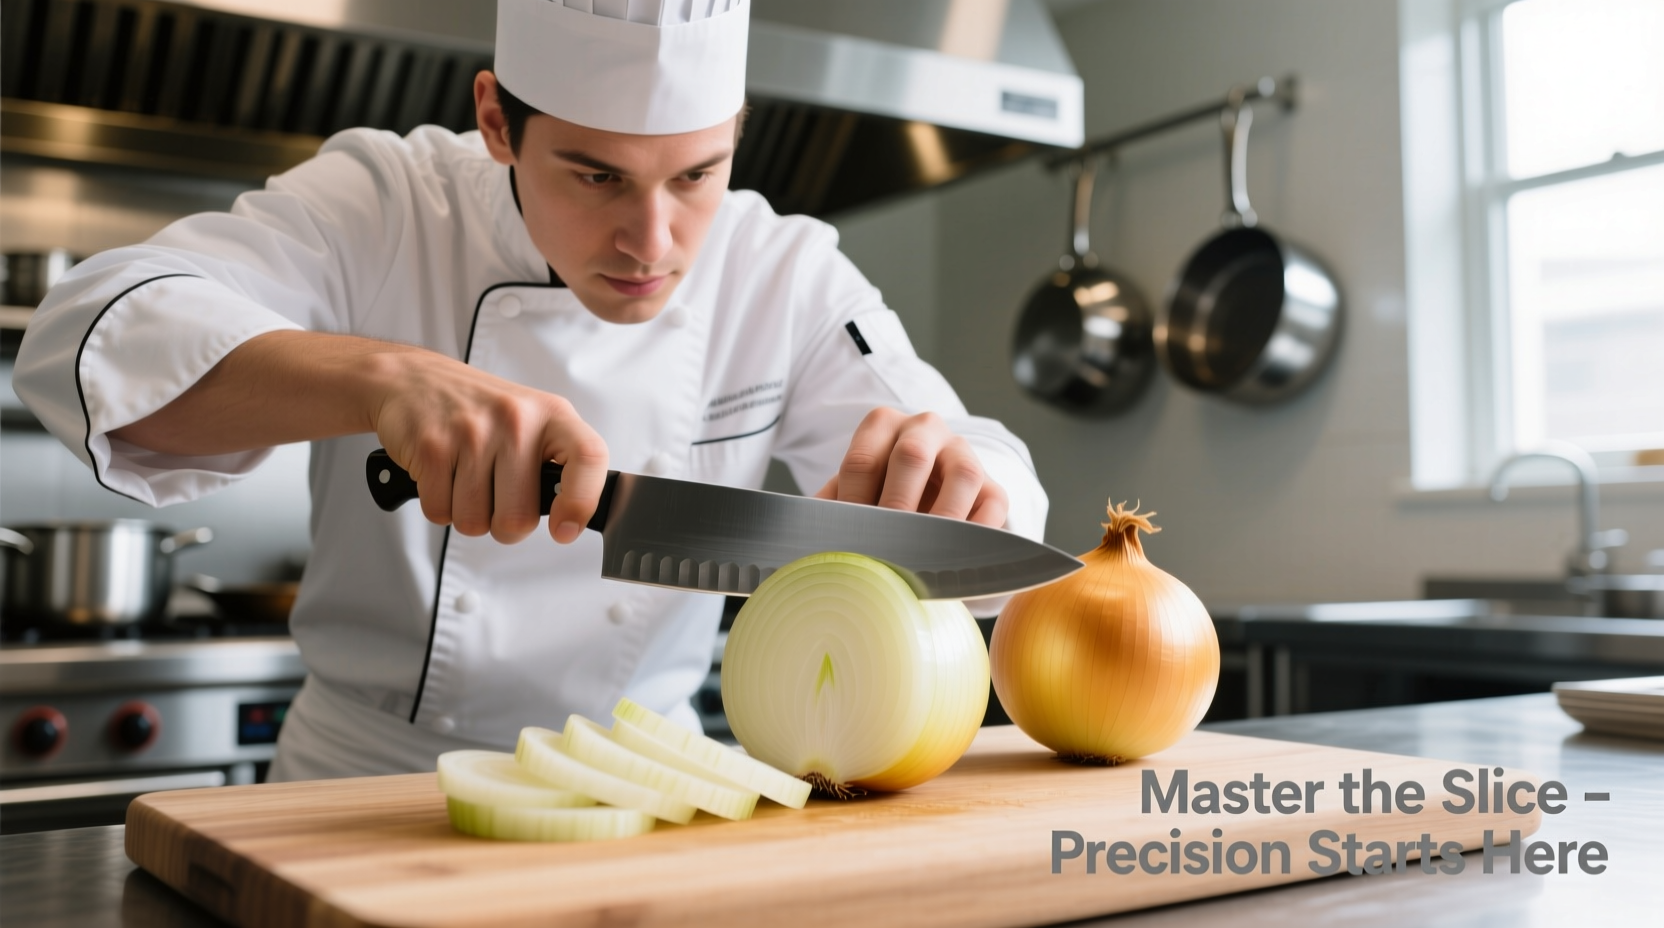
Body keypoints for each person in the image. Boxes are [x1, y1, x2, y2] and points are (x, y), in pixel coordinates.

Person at [12, 0, 1047, 780]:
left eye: (695, 176)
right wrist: (384, 378)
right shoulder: (385, 202)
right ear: (497, 122)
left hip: (652, 786)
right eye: (594, 175)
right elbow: (88, 335)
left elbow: (964, 451)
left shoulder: (784, 270)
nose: (653, 244)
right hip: (365, 787)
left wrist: (969, 477)